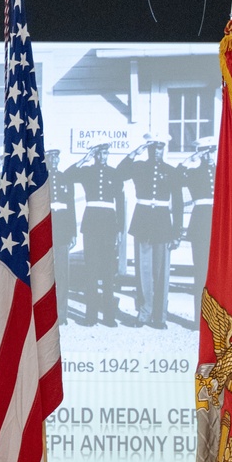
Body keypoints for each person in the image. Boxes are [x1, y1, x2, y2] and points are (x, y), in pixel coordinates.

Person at [120, 140, 183, 328]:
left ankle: (159, 317)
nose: (157, 151)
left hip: (163, 225)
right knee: (143, 271)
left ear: (164, 149)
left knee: (161, 272)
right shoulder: (138, 167)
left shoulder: (171, 171)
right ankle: (144, 313)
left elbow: (178, 203)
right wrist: (134, 152)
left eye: (160, 148)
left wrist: (177, 231)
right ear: (147, 150)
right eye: (153, 148)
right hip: (143, 222)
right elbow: (120, 173)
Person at [71, 144, 124, 327]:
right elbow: (70, 174)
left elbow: (121, 202)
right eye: (100, 152)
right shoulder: (87, 171)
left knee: (108, 272)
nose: (104, 155)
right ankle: (90, 316)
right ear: (95, 154)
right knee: (91, 271)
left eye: (106, 152)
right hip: (92, 225)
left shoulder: (114, 173)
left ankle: (109, 316)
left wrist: (120, 229)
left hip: (109, 225)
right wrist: (85, 158)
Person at [180, 139, 216, 322]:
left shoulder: (223, 171)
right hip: (201, 224)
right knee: (201, 272)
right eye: (206, 152)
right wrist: (190, 159)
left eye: (213, 151)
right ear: (200, 154)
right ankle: (199, 319)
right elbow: (177, 176)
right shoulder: (193, 173)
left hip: (219, 223)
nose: (210, 155)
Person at [47, 149, 77, 324]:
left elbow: (71, 206)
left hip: (63, 231)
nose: (55, 160)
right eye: (51, 157)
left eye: (57, 156)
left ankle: (62, 313)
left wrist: (72, 231)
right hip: (46, 230)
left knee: (62, 274)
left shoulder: (66, 177)